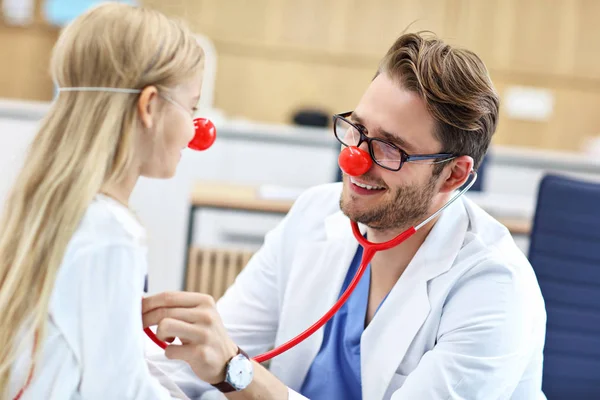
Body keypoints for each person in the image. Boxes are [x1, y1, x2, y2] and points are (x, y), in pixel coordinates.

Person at [142, 31, 548, 400]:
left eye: (390, 148)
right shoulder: (314, 214)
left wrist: (236, 372)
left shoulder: (495, 289)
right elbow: (196, 368)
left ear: (453, 174)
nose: (352, 160)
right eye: (356, 129)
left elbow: (227, 367)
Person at [0, 2, 211, 398]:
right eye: (193, 107)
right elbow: (119, 391)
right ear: (149, 106)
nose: (197, 129)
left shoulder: (52, 207)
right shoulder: (110, 232)